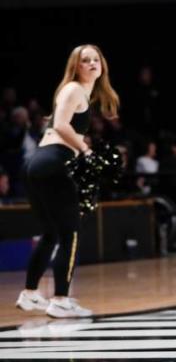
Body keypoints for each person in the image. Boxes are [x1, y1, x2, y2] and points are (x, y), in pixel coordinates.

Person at [17, 45, 119, 318]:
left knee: (51, 233)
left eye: (95, 59)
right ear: (76, 67)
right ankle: (61, 299)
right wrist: (86, 150)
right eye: (85, 60)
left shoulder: (79, 92)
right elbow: (61, 124)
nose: (91, 63)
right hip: (53, 161)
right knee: (70, 233)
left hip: (39, 163)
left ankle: (29, 294)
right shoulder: (74, 89)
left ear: (102, 64)